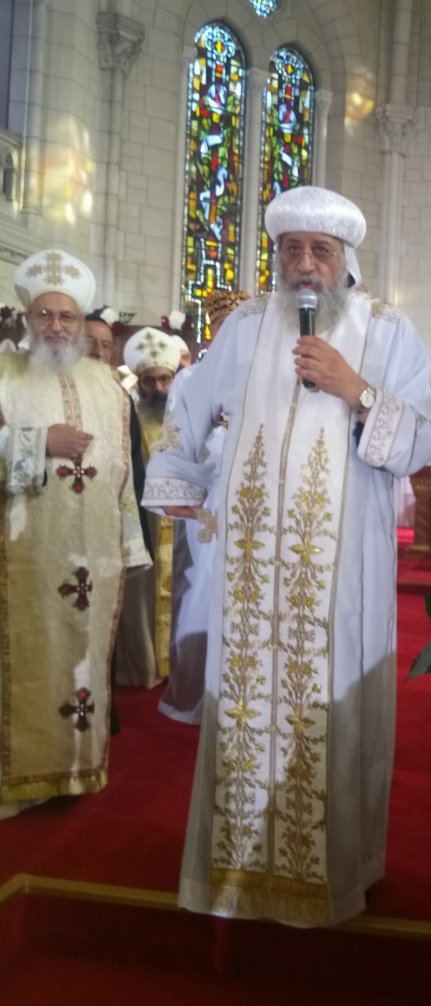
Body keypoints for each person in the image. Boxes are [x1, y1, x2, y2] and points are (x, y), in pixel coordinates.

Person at [143, 185, 431, 927]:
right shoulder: (245, 326)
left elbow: (421, 441)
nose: (305, 265)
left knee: (328, 713)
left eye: (321, 251)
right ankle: (237, 872)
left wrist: (355, 388)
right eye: (292, 250)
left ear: (346, 263)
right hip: (249, 569)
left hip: (341, 572)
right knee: (247, 706)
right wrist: (182, 479)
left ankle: (338, 873)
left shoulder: (389, 330)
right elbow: (189, 404)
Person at [0, 249, 149, 818]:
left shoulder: (109, 386)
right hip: (24, 556)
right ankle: (20, 779)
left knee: (83, 665)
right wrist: (40, 446)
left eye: (66, 316)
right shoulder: (5, 376)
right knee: (28, 662)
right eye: (45, 316)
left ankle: (75, 770)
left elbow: (124, 475)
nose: (56, 327)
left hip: (93, 564)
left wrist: (131, 545)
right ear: (26, 318)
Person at [160, 288, 252, 726]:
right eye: (223, 329)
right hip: (203, 497)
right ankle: (194, 686)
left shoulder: (263, 377)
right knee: (198, 586)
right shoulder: (189, 378)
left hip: (247, 499)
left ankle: (239, 691)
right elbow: (176, 440)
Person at [115, 327, 181, 687]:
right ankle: (143, 666)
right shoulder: (128, 416)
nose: (159, 388)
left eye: (165, 379)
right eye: (151, 381)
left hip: (183, 522)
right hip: (145, 521)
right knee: (144, 596)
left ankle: (178, 661)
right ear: (138, 381)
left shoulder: (185, 413)